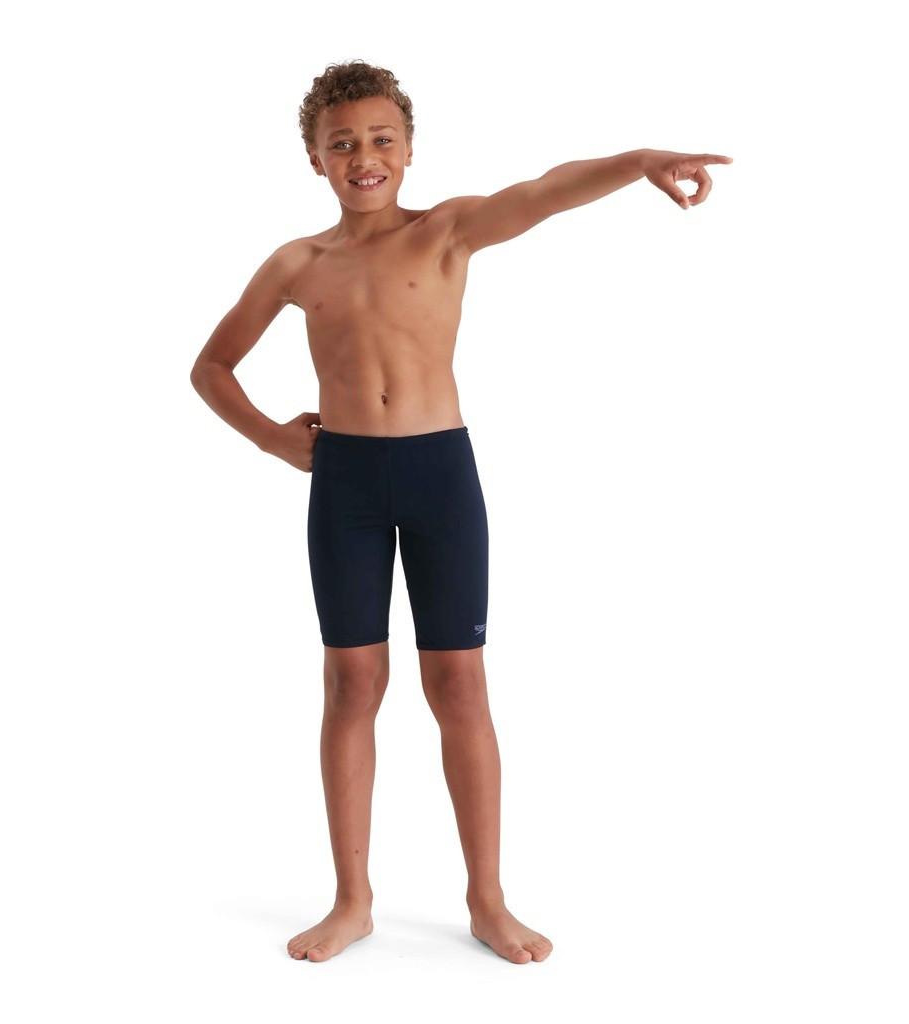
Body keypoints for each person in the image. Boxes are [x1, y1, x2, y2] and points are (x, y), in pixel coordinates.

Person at [190, 59, 732, 964]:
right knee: (352, 685)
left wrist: (639, 161)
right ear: (315, 158)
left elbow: (545, 191)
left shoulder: (445, 232)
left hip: (440, 473)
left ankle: (487, 899)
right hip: (346, 484)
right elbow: (211, 367)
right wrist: (271, 439)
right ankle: (352, 900)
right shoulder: (297, 264)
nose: (364, 156)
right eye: (342, 144)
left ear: (409, 149)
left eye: (381, 139)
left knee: (459, 686)